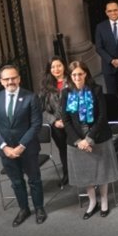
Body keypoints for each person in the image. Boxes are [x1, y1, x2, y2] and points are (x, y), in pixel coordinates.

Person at [0, 64, 46, 226]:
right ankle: (23, 209)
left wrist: (21, 146)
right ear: (1, 81)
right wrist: (4, 147)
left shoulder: (31, 97)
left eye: (13, 78)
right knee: (16, 182)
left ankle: (39, 208)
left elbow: (36, 125)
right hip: (6, 151)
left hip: (27, 149)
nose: (10, 81)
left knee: (34, 180)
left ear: (19, 79)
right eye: (6, 79)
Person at [63, 61, 118, 219]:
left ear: (86, 74)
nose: (77, 77)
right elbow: (66, 120)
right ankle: (92, 202)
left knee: (102, 172)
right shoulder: (66, 93)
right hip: (77, 141)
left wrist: (89, 139)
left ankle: (104, 201)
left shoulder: (96, 89)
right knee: (85, 173)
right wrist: (79, 141)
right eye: (74, 75)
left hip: (98, 137)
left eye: (80, 74)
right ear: (70, 76)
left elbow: (103, 116)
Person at [38, 57, 69, 186]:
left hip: (73, 122)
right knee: (63, 149)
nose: (56, 69)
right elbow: (42, 109)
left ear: (64, 66)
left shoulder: (72, 80)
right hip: (56, 125)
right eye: (53, 67)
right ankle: (67, 173)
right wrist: (54, 121)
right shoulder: (46, 86)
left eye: (59, 66)